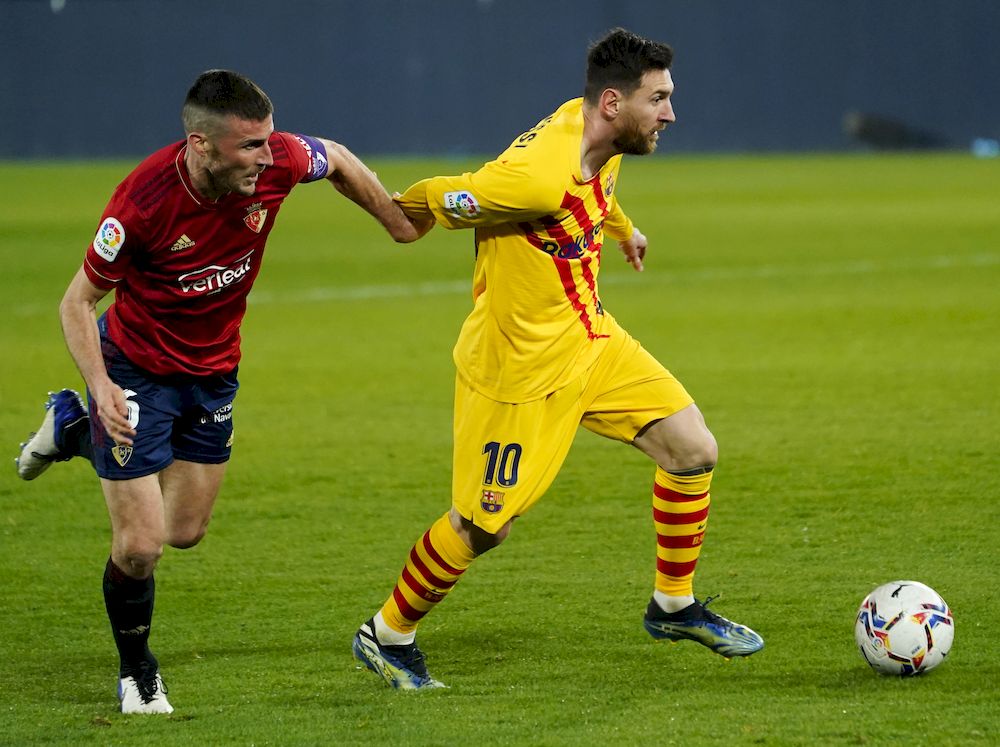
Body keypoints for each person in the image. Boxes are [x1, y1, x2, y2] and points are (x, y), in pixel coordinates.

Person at [351, 27, 764, 690]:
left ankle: (673, 603)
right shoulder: (535, 180)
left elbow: (595, 190)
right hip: (517, 371)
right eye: (659, 99)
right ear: (612, 102)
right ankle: (387, 632)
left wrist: (623, 228)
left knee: (692, 448)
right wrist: (399, 215)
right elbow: (449, 192)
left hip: (589, 340)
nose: (670, 114)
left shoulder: (603, 134)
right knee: (484, 526)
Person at [15, 69, 425, 713]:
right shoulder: (142, 203)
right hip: (135, 371)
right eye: (251, 146)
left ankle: (68, 428)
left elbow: (337, 157)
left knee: (184, 531)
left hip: (212, 373)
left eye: (269, 141)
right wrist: (100, 386)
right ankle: (137, 673)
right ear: (202, 146)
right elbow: (77, 301)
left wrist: (396, 223)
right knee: (141, 546)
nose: (270, 156)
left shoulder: (279, 159)